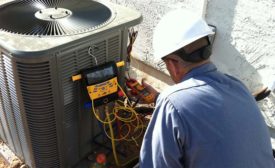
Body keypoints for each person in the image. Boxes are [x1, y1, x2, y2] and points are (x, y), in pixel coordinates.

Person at [138, 9, 275, 168]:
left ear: (172, 64)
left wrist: (167, 102)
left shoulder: (172, 104)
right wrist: (158, 98)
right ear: (206, 50)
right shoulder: (237, 86)